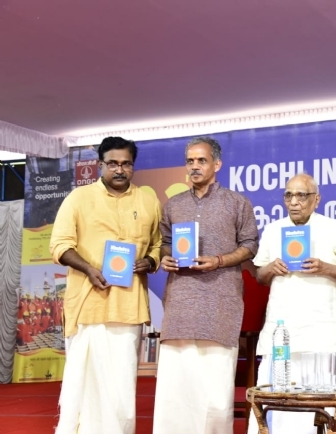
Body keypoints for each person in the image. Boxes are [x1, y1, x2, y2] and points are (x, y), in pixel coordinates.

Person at [50, 136, 162, 434]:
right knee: (84, 383)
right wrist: (88, 268)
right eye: (112, 163)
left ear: (133, 166)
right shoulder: (79, 198)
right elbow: (59, 245)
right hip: (88, 304)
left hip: (128, 307)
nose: (119, 169)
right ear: (101, 165)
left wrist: (150, 261)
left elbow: (158, 244)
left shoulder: (148, 201)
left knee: (121, 386)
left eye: (126, 164)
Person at [152, 137, 258, 434]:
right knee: (177, 383)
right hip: (181, 303)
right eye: (190, 161)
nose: (195, 166)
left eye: (201, 160)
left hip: (220, 301)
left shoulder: (237, 202)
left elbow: (250, 245)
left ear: (217, 164)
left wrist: (220, 260)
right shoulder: (174, 205)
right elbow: (165, 242)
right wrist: (166, 257)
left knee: (215, 387)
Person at [247, 173, 336, 434]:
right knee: (276, 400)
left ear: (316, 199)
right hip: (282, 328)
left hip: (322, 330)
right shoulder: (273, 230)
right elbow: (260, 275)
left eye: (301, 195)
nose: (294, 202)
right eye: (288, 195)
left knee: (318, 405)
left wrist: (325, 267)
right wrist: (271, 268)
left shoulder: (334, 228)